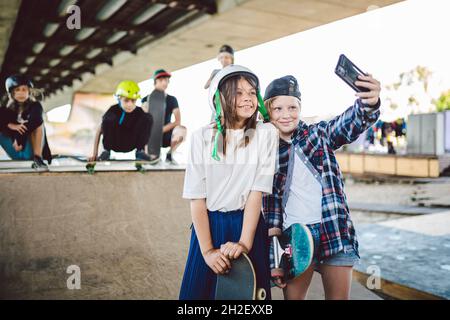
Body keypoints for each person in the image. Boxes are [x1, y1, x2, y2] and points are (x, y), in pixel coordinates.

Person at [262, 74, 381, 300]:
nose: (286, 115)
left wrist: (369, 103)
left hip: (333, 230)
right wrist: (275, 253)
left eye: (292, 107)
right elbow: (271, 206)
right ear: (268, 112)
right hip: (294, 236)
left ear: (300, 108)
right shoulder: (266, 150)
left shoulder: (317, 135)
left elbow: (348, 123)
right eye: (278, 109)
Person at [179, 65, 278, 300]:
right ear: (220, 99)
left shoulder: (266, 135)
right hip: (209, 227)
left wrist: (244, 243)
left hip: (248, 225)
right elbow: (197, 199)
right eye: (239, 92)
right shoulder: (201, 137)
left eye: (252, 92)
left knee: (249, 298)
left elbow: (256, 193)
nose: (248, 98)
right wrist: (208, 252)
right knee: (198, 297)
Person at [89, 80, 154, 162]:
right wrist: (95, 154)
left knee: (148, 117)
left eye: (133, 101)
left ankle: (140, 152)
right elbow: (99, 131)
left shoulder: (139, 112)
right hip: (115, 143)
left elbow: (144, 132)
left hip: (131, 143)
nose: (130, 104)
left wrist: (145, 152)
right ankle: (106, 151)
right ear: (119, 99)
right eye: (126, 101)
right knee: (109, 118)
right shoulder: (113, 110)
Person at [0, 74, 52, 168]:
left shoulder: (35, 106)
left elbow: (36, 120)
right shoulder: (5, 111)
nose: (21, 93)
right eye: (17, 90)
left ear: (29, 92)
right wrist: (9, 125)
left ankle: (38, 158)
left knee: (39, 124)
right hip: (15, 150)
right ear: (12, 93)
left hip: (30, 151)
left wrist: (19, 138)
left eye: (24, 89)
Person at [141, 69, 186, 164]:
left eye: (166, 80)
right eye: (161, 80)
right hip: (150, 136)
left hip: (166, 134)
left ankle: (170, 155)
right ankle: (148, 154)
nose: (164, 83)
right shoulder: (145, 99)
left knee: (182, 130)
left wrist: (161, 129)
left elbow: (177, 121)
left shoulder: (172, 100)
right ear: (155, 82)